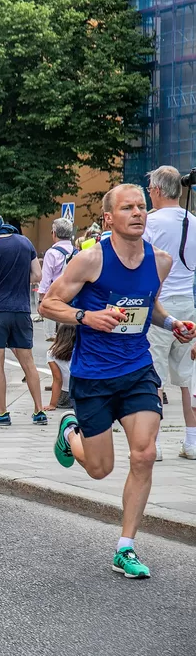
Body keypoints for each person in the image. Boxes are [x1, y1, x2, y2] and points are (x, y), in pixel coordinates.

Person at [40, 183, 196, 579]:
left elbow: (149, 307)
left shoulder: (159, 261)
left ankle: (125, 546)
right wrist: (86, 317)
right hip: (93, 376)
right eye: (128, 208)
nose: (138, 213)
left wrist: (172, 323)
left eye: (141, 206)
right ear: (109, 218)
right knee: (99, 469)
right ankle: (70, 433)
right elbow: (48, 303)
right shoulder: (90, 260)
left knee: (144, 454)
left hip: (137, 370)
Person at [142, 166, 196, 461]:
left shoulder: (150, 222)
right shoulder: (194, 222)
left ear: (158, 191)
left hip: (158, 306)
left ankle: (155, 443)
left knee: (154, 377)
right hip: (187, 301)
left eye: (150, 189)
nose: (149, 194)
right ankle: (192, 441)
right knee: (188, 379)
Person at [0, 212, 47, 426]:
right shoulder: (25, 242)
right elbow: (37, 276)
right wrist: (16, 280)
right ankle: (39, 411)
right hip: (22, 310)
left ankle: (2, 412)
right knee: (28, 362)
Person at [38, 218, 78, 341]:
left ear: (54, 233)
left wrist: (41, 299)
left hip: (55, 297)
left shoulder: (52, 253)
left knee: (55, 336)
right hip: (72, 296)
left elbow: (46, 278)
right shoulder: (77, 252)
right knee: (69, 335)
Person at [43, 324, 74, 411]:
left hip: (66, 396)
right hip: (83, 393)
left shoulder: (51, 353)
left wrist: (52, 404)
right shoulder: (81, 350)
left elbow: (58, 379)